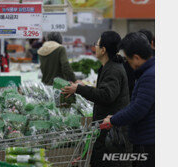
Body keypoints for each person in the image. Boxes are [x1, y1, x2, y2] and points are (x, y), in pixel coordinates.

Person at [61, 31, 131, 167]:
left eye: (97, 44)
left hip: (112, 134)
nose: (95, 47)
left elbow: (106, 95)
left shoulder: (113, 70)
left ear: (103, 50)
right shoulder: (109, 66)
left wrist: (79, 89)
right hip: (107, 129)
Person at [103, 32, 155, 167]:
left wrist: (113, 120)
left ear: (136, 57)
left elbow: (138, 109)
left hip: (148, 142)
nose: (127, 63)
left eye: (128, 59)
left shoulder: (150, 76)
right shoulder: (149, 72)